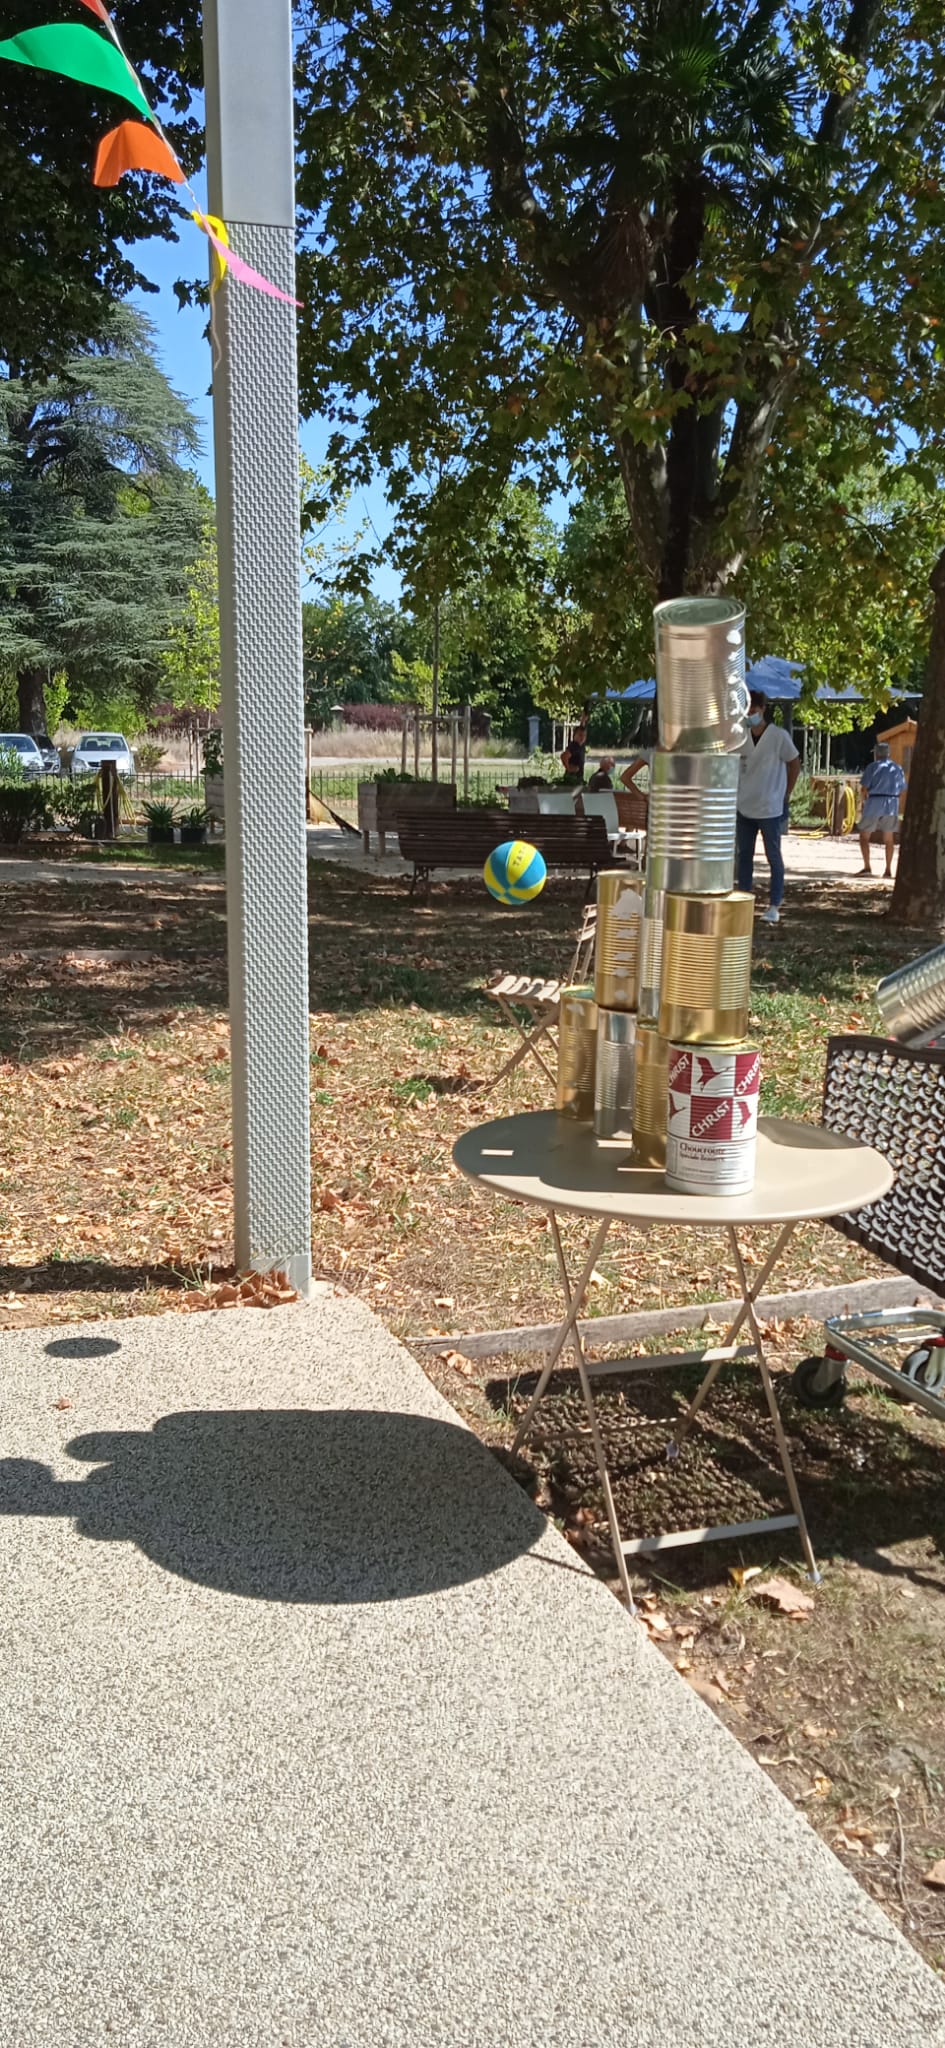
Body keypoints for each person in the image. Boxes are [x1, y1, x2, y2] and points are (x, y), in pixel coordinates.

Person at [736, 690, 800, 925]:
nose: (750, 713)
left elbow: (794, 763)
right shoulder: (740, 737)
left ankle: (774, 904)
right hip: (744, 806)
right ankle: (742, 899)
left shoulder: (778, 736)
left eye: (754, 709)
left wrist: (787, 793)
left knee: (773, 856)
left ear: (763, 709)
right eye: (747, 709)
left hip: (770, 807)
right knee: (744, 856)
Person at [857, 740, 906, 879]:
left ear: (876, 754)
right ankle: (888, 870)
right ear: (888, 754)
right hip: (892, 803)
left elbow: (864, 788)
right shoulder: (897, 768)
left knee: (864, 836)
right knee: (889, 838)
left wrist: (863, 801)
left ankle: (867, 867)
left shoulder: (872, 767)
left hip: (874, 802)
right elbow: (902, 789)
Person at [560, 721, 587, 785]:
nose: (582, 737)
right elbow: (564, 756)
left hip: (577, 779)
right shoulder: (574, 746)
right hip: (572, 780)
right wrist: (568, 768)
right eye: (580, 735)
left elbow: (582, 727)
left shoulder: (580, 746)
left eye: (584, 735)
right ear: (574, 735)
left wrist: (583, 719)